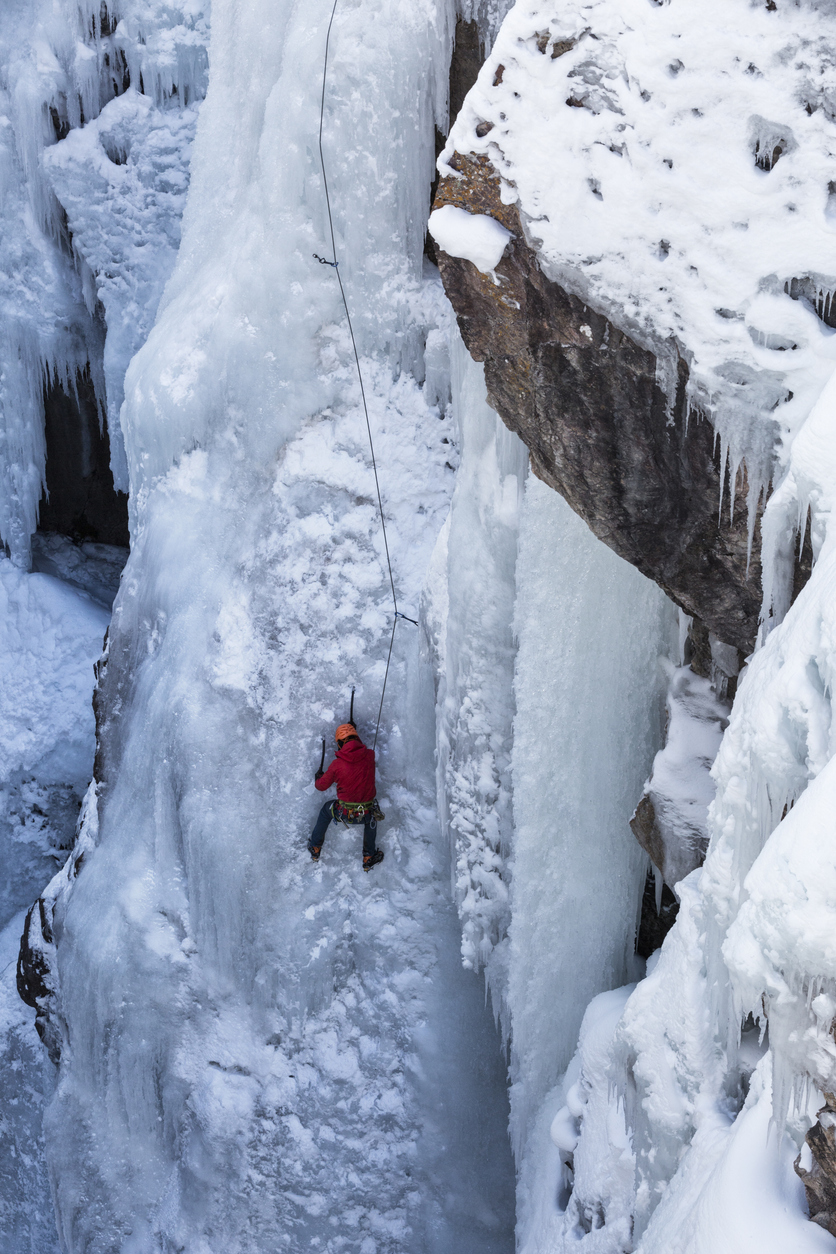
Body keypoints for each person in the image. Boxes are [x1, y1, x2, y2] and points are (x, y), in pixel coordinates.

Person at [308, 723, 384, 871]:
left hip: (344, 813)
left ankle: (315, 847)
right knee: (372, 815)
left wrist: (319, 778)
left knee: (326, 810)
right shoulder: (370, 756)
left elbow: (321, 786)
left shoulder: (337, 765)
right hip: (367, 813)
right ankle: (369, 856)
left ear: (340, 743)